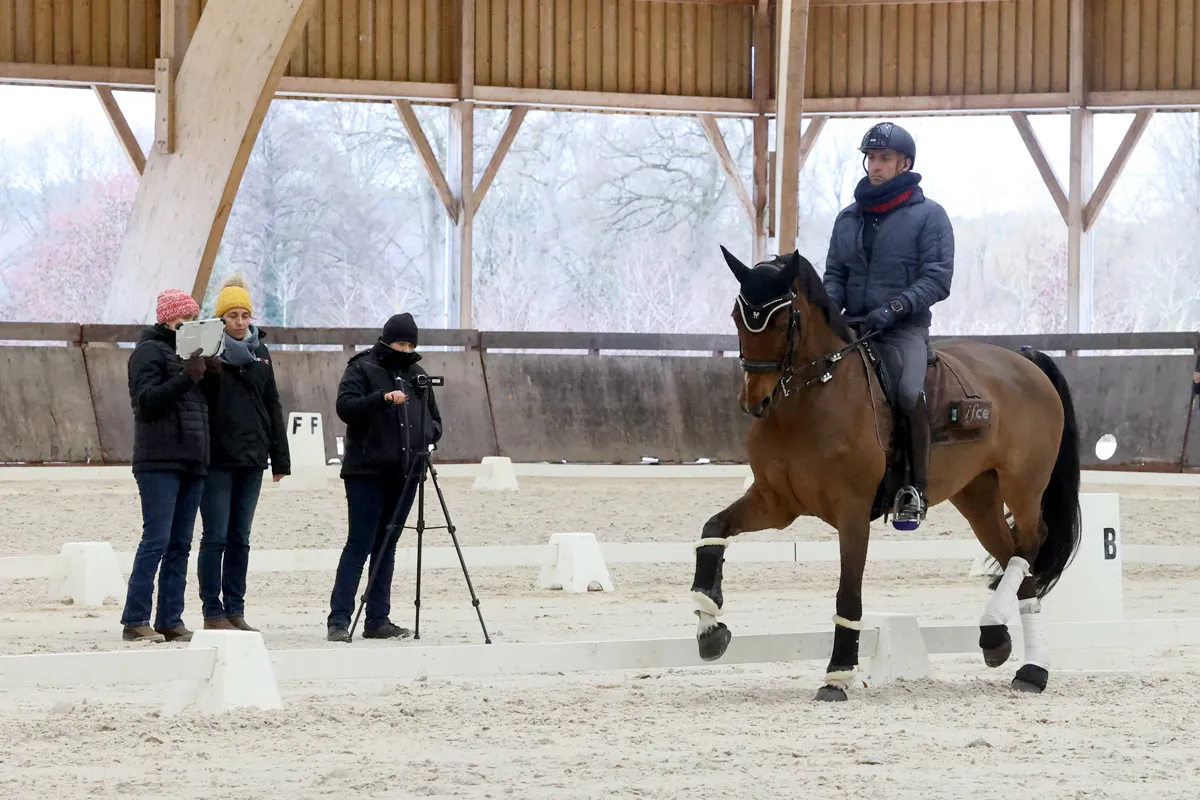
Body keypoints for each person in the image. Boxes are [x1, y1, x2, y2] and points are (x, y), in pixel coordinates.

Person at [822, 121, 955, 529]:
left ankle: (914, 489)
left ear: (904, 163)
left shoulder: (930, 216)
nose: (874, 166)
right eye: (871, 159)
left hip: (903, 328)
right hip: (854, 326)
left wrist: (895, 308)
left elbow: (937, 278)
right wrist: (830, 310)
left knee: (906, 391)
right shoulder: (848, 218)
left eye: (884, 159)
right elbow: (834, 274)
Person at [326, 313, 443, 643]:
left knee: (387, 547)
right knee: (359, 544)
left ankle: (378, 618)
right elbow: (346, 408)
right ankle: (339, 619)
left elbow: (435, 420)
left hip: (405, 474)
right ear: (386, 340)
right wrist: (382, 399)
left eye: (410, 344)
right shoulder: (361, 368)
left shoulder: (417, 375)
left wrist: (427, 435)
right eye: (400, 343)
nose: (405, 350)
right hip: (366, 471)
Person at [120, 289, 215, 643]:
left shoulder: (191, 354)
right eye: (184, 319)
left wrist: (210, 374)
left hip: (192, 458)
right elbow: (145, 403)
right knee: (156, 539)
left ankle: (170, 618)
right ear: (167, 319)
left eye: (194, 319)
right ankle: (135, 619)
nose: (189, 324)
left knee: (181, 544)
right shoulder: (149, 352)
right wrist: (186, 377)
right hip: (158, 460)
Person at [197, 276, 290, 633]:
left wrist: (280, 457)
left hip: (252, 459)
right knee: (215, 536)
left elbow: (272, 403)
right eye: (232, 315)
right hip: (218, 459)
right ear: (221, 319)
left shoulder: (260, 353)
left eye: (244, 314)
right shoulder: (208, 352)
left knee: (240, 538)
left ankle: (235, 608)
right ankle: (212, 610)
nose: (239, 321)